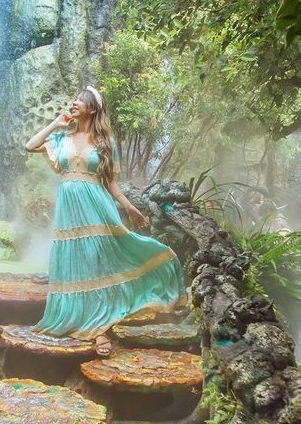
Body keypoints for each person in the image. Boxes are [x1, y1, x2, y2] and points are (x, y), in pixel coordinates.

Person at [24, 86, 186, 356]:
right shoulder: (62, 138)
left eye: (80, 100)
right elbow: (29, 146)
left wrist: (129, 207)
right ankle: (78, 319)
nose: (74, 103)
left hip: (97, 207)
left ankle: (100, 329)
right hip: (69, 211)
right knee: (75, 261)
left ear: (93, 108)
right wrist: (54, 124)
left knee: (97, 261)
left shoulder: (104, 142)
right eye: (74, 99)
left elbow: (111, 183)